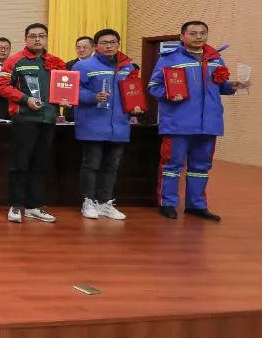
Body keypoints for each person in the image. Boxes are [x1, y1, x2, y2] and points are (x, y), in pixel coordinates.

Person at [148, 20, 249, 221]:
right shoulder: (169, 58)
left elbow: (220, 86)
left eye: (203, 33)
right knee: (172, 166)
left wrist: (233, 86)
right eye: (193, 33)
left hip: (208, 123)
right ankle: (168, 203)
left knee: (201, 168)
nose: (198, 37)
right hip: (178, 123)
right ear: (182, 36)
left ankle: (196, 205)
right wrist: (169, 94)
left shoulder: (216, 59)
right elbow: (153, 86)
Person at [0, 23, 68, 224]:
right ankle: (16, 205)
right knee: (20, 163)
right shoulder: (15, 61)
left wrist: (65, 99)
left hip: (48, 119)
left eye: (41, 36)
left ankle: (34, 206)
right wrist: (24, 99)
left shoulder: (55, 62)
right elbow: (1, 86)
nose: (37, 39)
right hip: (25, 120)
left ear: (46, 39)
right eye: (33, 36)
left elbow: (64, 87)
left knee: (41, 164)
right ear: (26, 39)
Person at [72, 29, 142, 220]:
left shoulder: (128, 67)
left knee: (112, 166)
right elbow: (73, 90)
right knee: (92, 164)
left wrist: (136, 105)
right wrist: (92, 97)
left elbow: (133, 90)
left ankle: (104, 202)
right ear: (96, 46)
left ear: (118, 44)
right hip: (93, 123)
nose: (109, 46)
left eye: (113, 42)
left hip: (119, 124)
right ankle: (88, 201)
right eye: (104, 43)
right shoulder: (83, 65)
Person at [63, 37, 94, 123]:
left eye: (85, 47)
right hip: (72, 111)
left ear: (93, 48)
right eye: (78, 47)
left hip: (94, 111)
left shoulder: (100, 66)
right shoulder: (67, 66)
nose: (81, 50)